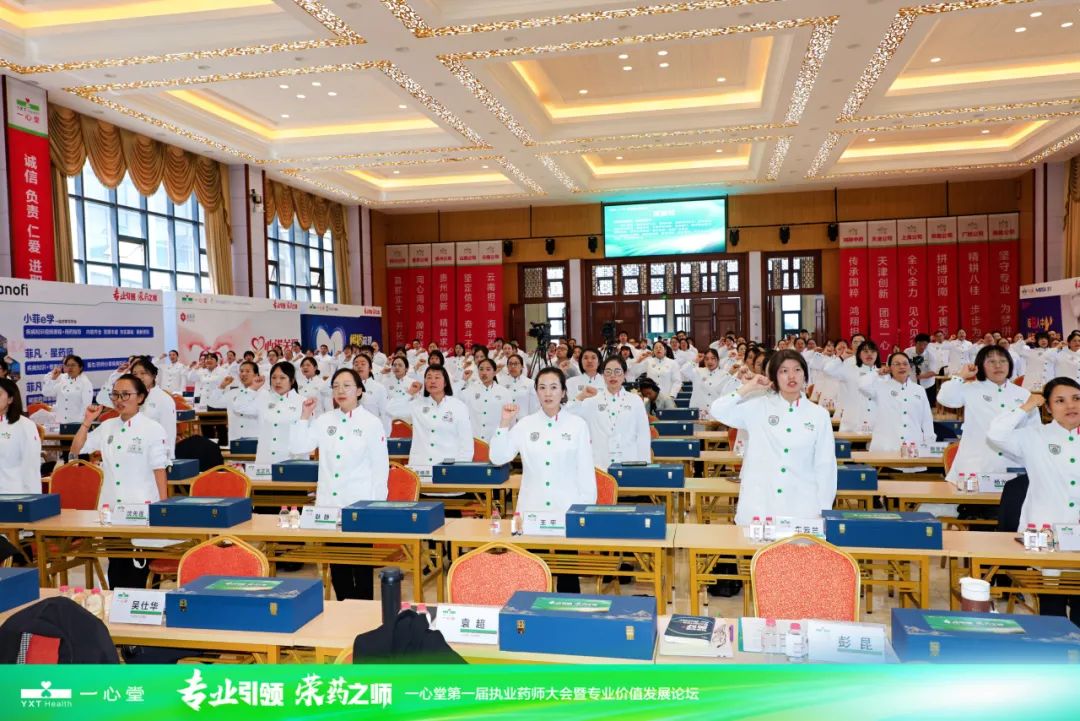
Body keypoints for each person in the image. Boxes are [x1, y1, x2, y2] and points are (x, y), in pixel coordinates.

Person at [490, 367, 596, 593]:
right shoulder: (525, 424)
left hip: (565, 509)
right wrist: (504, 423)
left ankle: (567, 613)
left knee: (568, 579)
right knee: (531, 578)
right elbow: (498, 457)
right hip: (531, 510)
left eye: (554, 387)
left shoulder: (577, 425)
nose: (548, 393)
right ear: (536, 392)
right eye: (542, 387)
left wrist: (583, 511)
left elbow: (586, 472)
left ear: (563, 392)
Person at [987, 378, 1080, 624]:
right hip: (1046, 533)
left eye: (1076, 398)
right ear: (1047, 407)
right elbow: (996, 433)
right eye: (1060, 401)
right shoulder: (1033, 436)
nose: (1070, 406)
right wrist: (1026, 407)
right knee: (1051, 606)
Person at [291, 368, 389, 600]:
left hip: (359, 505)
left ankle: (364, 612)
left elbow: (380, 468)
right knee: (338, 566)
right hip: (329, 505)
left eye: (346, 385)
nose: (340, 391)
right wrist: (304, 415)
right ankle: (343, 609)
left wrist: (376, 506)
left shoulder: (371, 423)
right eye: (335, 386)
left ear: (359, 390)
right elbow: (298, 447)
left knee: (361, 568)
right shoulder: (324, 420)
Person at [709, 349, 836, 525]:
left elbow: (826, 466)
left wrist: (824, 510)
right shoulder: (758, 406)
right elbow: (717, 410)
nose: (791, 376)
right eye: (784, 371)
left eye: (797, 370)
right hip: (760, 506)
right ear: (774, 377)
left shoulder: (819, 415)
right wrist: (748, 388)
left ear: (805, 375)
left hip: (802, 506)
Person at [70, 374, 168, 589]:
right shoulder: (107, 426)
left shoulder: (152, 428)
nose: (119, 400)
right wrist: (87, 421)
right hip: (112, 508)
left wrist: (163, 507)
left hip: (141, 508)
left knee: (139, 569)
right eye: (115, 395)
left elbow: (159, 470)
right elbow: (76, 450)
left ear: (140, 397)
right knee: (116, 566)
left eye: (126, 395)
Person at [937, 345, 1034, 485]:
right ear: (980, 366)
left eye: (1003, 361)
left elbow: (1032, 431)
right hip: (976, 465)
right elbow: (945, 398)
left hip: (1014, 465)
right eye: (991, 361)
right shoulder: (970, 388)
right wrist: (961, 376)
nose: (998, 365)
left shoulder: (1023, 394)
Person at [385, 366, 474, 477]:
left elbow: (466, 443)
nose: (432, 381)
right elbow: (390, 409)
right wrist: (409, 393)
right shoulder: (417, 404)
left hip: (448, 469)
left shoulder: (458, 406)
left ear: (445, 382)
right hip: (421, 467)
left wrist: (460, 470)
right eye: (429, 377)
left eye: (437, 377)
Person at [566, 355, 651, 468]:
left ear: (624, 374)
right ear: (603, 375)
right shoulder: (592, 401)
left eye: (617, 371)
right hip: (600, 464)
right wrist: (580, 397)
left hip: (629, 461)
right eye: (608, 372)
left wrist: (644, 465)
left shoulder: (635, 401)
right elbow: (567, 415)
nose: (613, 376)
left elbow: (643, 435)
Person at [230, 361, 305, 465]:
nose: (277, 381)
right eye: (273, 378)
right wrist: (253, 388)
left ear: (292, 380)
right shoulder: (263, 398)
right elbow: (239, 407)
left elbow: (307, 436)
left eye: (282, 378)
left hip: (291, 459)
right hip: (265, 460)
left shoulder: (303, 402)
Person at [859, 352, 935, 453]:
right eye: (897, 364)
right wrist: (877, 372)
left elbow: (927, 419)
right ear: (889, 368)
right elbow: (862, 386)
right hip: (886, 447)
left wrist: (929, 442)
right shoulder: (880, 387)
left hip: (912, 447)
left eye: (905, 364)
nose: (902, 367)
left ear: (910, 367)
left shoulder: (919, 390)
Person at [823, 340, 880, 433]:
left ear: (877, 354)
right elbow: (827, 369)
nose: (869, 354)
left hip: (874, 424)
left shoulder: (883, 374)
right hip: (852, 422)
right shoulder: (850, 369)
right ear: (859, 354)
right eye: (865, 351)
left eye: (873, 351)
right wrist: (842, 357)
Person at [129, 358, 177, 462]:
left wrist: (167, 459)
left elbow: (169, 432)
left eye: (143, 373)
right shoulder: (130, 396)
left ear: (153, 375)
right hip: (132, 453)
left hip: (155, 456)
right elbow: (103, 400)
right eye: (134, 374)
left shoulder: (164, 399)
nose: (138, 377)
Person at [0, 377, 42, 494]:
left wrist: (33, 499)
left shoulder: (24, 425)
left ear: (10, 399)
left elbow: (31, 467)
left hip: (13, 494)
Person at [460, 358, 513, 442]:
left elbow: (510, 419)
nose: (484, 372)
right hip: (475, 440)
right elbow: (452, 398)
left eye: (488, 369)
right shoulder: (469, 391)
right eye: (481, 369)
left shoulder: (505, 393)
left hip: (496, 440)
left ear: (494, 372)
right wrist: (462, 380)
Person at [682, 348, 738, 414]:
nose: (710, 361)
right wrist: (696, 360)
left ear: (718, 360)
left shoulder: (725, 374)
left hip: (715, 413)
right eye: (707, 359)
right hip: (697, 411)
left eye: (713, 358)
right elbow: (684, 370)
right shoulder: (698, 372)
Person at [42, 354, 94, 425]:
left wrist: (79, 424)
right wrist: (53, 379)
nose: (70, 368)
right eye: (67, 365)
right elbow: (46, 393)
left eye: (73, 365)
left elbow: (86, 406)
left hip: (76, 423)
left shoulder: (85, 383)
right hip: (60, 422)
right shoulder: (61, 378)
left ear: (80, 367)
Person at [224, 361, 262, 442]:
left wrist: (251, 390)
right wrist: (222, 386)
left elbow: (241, 408)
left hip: (256, 439)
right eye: (241, 371)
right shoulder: (232, 392)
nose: (243, 374)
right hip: (235, 439)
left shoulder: (264, 394)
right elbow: (213, 403)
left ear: (256, 375)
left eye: (248, 371)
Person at [905, 333, 944, 408]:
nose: (922, 347)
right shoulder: (907, 352)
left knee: (927, 406)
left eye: (925, 344)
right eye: (920, 344)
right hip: (912, 383)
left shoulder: (931, 355)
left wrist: (921, 376)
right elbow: (903, 364)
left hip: (927, 385)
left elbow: (933, 372)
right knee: (912, 405)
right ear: (915, 343)